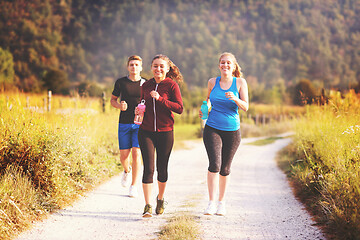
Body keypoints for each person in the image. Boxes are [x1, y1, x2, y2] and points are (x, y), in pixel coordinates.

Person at [199, 52, 249, 216]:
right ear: (219, 65)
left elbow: (246, 107)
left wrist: (235, 98)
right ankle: (211, 203)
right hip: (212, 128)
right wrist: (204, 111)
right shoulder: (212, 82)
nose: (225, 65)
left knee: (225, 169)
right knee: (214, 165)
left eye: (228, 63)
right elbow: (208, 100)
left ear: (234, 66)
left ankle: (221, 203)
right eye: (222, 62)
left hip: (232, 131)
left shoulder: (240, 82)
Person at [137, 54, 183, 217]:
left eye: (161, 66)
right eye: (155, 66)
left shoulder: (171, 86)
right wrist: (139, 109)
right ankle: (148, 205)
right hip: (146, 132)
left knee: (161, 169)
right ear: (151, 68)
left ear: (167, 68)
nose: (158, 69)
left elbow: (179, 108)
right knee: (148, 169)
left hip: (165, 132)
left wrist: (161, 99)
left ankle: (161, 199)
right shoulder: (146, 85)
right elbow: (142, 103)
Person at [110, 55, 146, 198]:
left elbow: (149, 102)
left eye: (137, 65)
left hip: (139, 123)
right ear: (128, 67)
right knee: (124, 156)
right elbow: (112, 100)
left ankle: (133, 185)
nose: (134, 67)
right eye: (131, 64)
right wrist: (119, 105)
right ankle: (126, 171)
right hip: (124, 122)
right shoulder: (121, 82)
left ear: (141, 67)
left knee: (137, 153)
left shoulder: (145, 83)